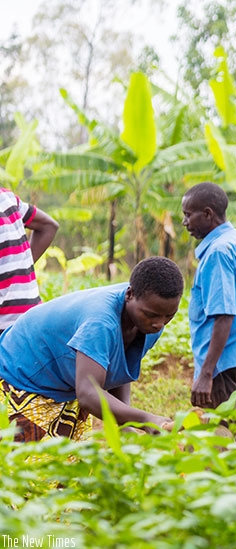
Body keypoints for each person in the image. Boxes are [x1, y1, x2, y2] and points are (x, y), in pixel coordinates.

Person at [0, 256, 182, 442]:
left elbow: (118, 363)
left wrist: (125, 424)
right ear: (129, 295)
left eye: (169, 315)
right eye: (151, 315)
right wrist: (146, 419)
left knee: (67, 461)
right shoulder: (100, 323)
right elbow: (88, 393)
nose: (159, 324)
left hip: (64, 381)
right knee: (26, 464)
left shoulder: (145, 317)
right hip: (21, 374)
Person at [181, 182, 236, 411]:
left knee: (214, 437)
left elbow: (225, 315)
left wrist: (207, 373)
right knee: (227, 433)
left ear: (207, 214)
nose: (184, 222)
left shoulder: (219, 251)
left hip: (220, 364)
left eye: (188, 215)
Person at [0, 187, 59, 332]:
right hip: (33, 323)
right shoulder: (7, 198)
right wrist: (21, 266)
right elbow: (49, 226)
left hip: (5, 334)